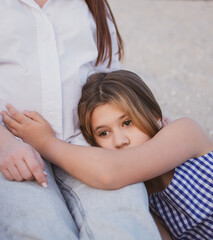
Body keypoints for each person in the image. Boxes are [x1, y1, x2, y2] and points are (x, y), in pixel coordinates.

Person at [0, 1, 161, 239]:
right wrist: (5, 143)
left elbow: (106, 72)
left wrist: (141, 115)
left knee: (125, 221)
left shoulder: (91, 5)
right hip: (12, 146)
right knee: (37, 227)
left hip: (87, 140)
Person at [2, 70, 213, 239]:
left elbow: (111, 171)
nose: (120, 141)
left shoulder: (185, 132)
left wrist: (46, 142)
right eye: (104, 133)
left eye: (128, 122)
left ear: (156, 116)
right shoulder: (140, 194)